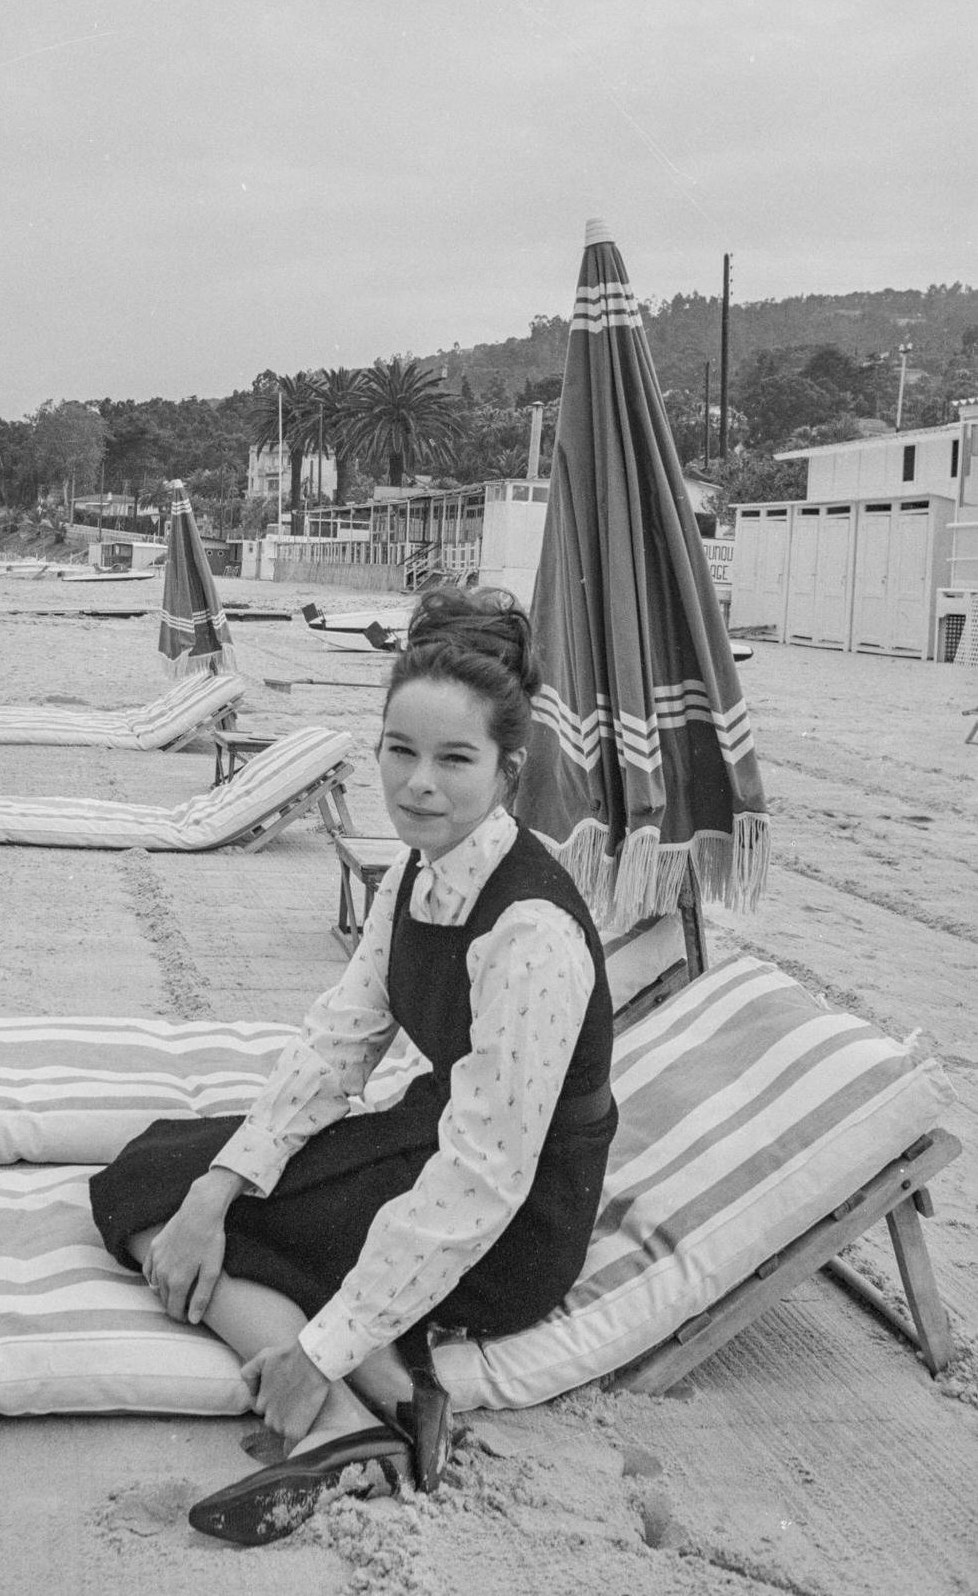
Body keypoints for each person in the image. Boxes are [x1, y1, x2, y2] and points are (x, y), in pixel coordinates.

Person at [88, 586, 617, 1546]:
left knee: (154, 1201)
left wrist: (319, 1348)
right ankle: (393, 1385)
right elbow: (339, 1043)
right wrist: (217, 1188)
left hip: (518, 1220)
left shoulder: (531, 930)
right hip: (435, 1131)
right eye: (399, 750)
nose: (418, 784)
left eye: (454, 759)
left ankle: (337, 1417)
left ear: (509, 769)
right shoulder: (418, 869)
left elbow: (484, 1179)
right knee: (171, 1169)